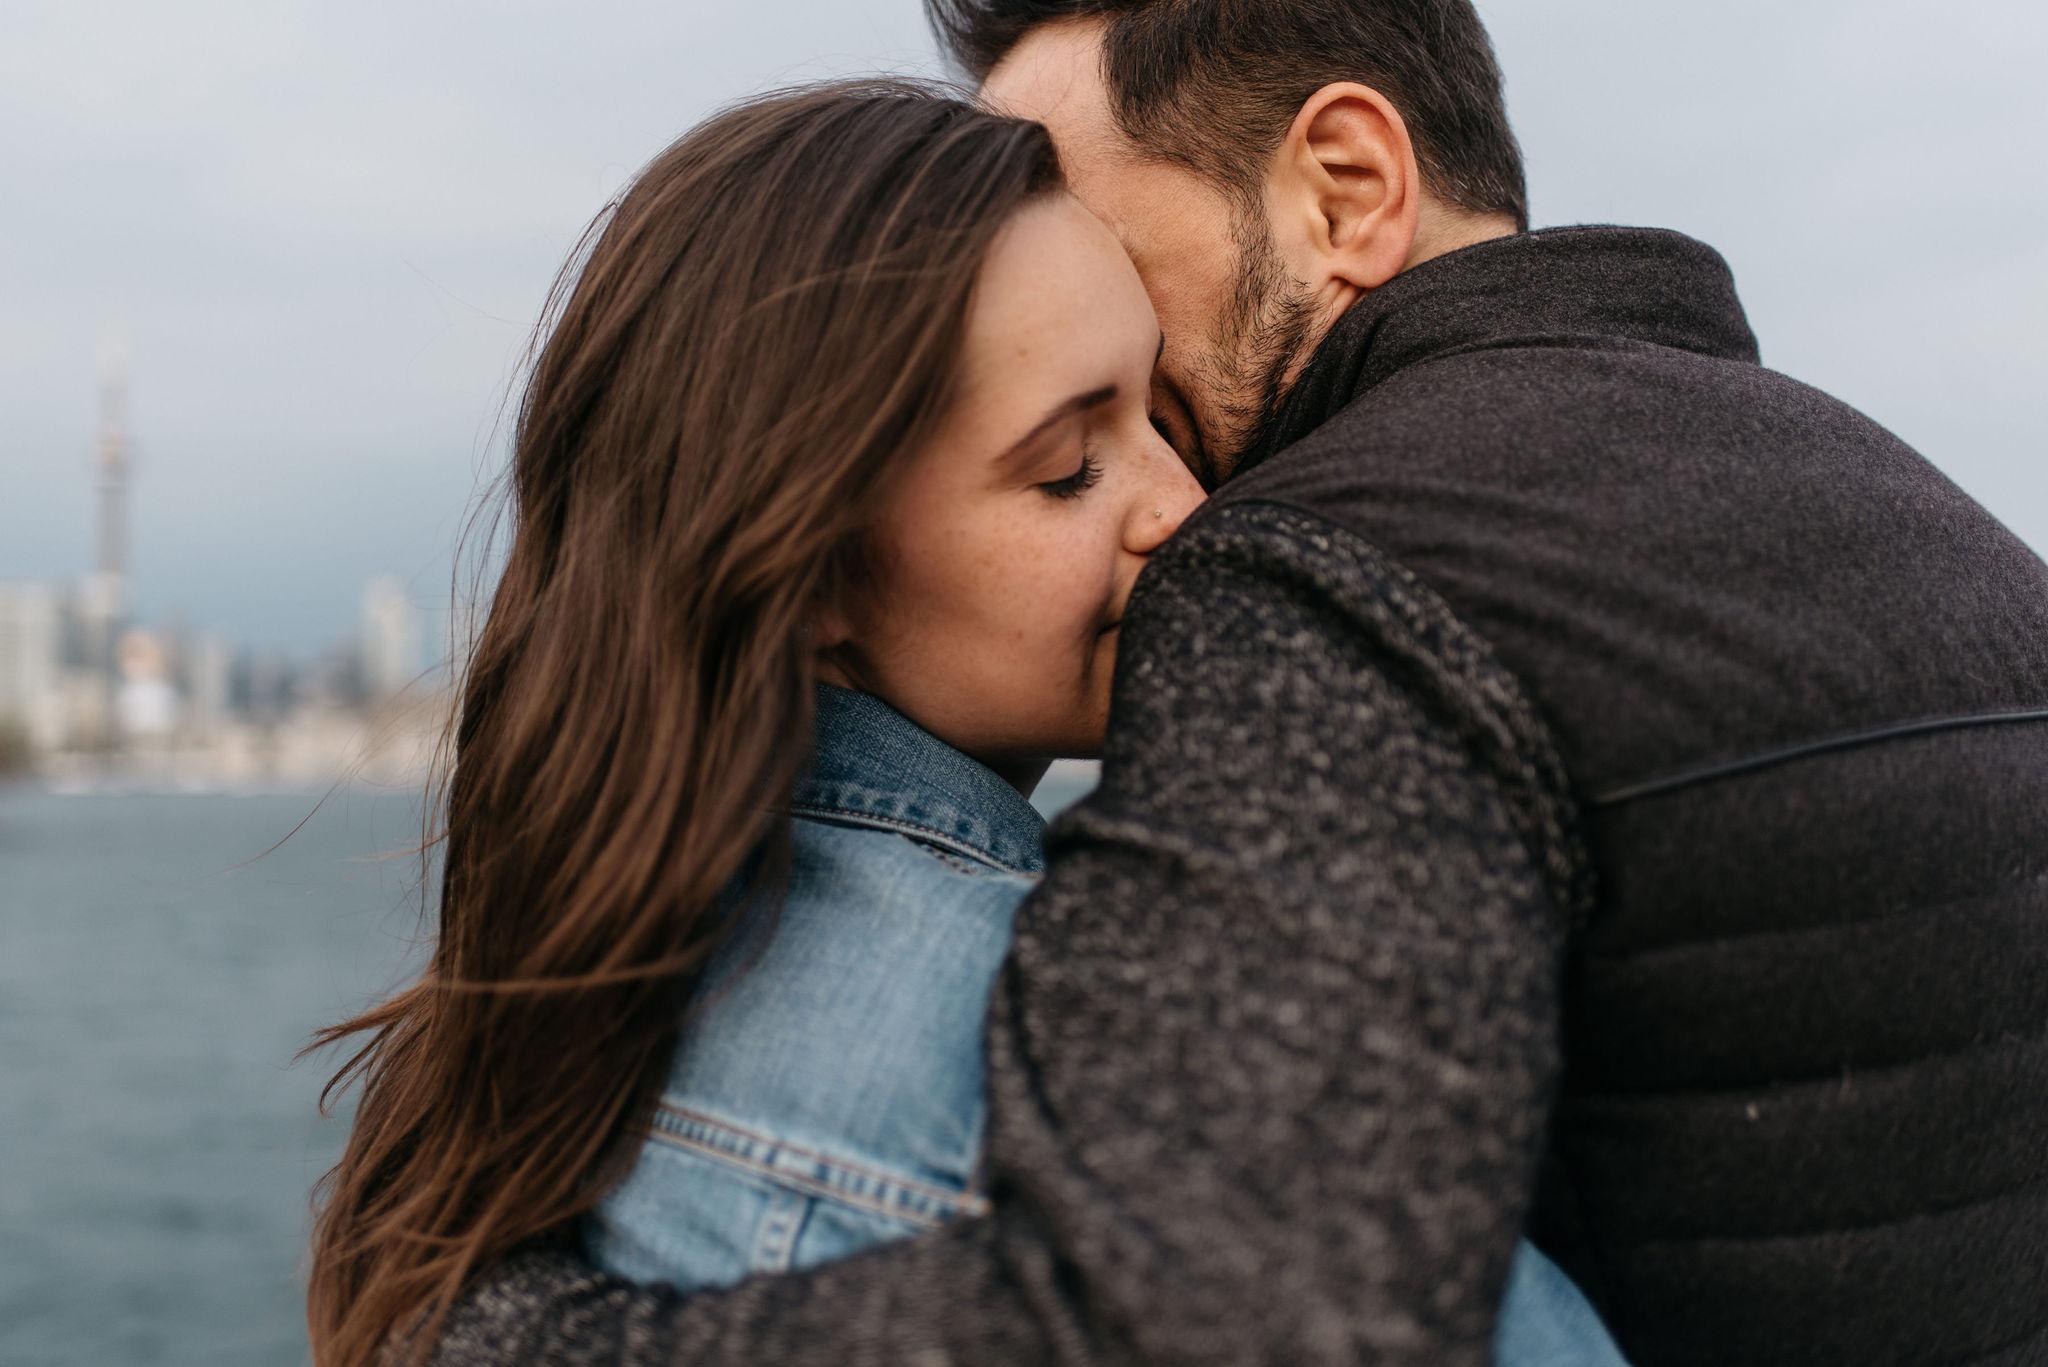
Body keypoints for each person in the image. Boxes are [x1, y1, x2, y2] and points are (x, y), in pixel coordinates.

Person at [426, 3, 2048, 1365]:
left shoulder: (1335, 573)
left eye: (1122, 267)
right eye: (1069, 453)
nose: (1183, 507)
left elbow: (1228, 1317)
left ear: (1346, 189)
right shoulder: (1944, 536)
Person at [309, 80, 1624, 1367]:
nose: (1187, 503)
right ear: (810, 567)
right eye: (1066, 467)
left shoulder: (601, 1009)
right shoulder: (1034, 1072)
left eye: (1159, 413)